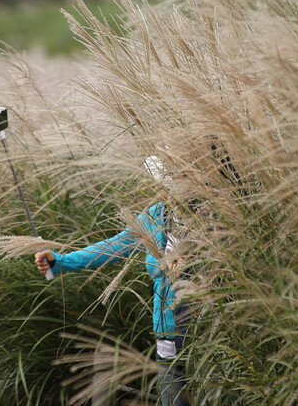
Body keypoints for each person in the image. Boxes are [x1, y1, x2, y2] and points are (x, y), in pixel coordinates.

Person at [35, 155, 191, 406]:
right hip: (168, 338)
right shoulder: (156, 215)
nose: (169, 185)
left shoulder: (212, 217)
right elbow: (113, 246)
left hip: (209, 336)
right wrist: (61, 262)